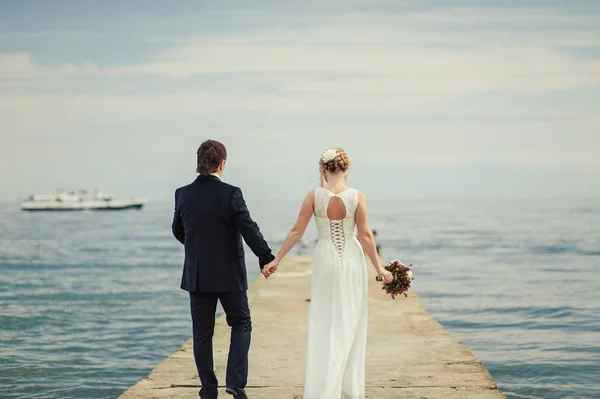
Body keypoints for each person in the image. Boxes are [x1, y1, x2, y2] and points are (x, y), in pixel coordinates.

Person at [262, 147, 397, 399]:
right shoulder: (358, 196)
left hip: (325, 258)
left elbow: (296, 231)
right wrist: (379, 268)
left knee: (325, 321)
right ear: (346, 169)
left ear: (323, 169)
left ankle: (325, 387)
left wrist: (276, 259)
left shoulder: (314, 196)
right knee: (351, 320)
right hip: (352, 259)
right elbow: (366, 235)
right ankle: (348, 388)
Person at [172, 140, 275, 399]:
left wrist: (197, 247)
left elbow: (178, 230)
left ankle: (208, 390)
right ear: (223, 163)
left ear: (198, 163)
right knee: (241, 324)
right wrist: (265, 256)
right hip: (230, 274)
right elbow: (247, 227)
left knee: (202, 333)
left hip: (198, 275)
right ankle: (235, 383)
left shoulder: (182, 193)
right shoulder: (231, 193)